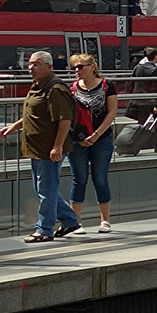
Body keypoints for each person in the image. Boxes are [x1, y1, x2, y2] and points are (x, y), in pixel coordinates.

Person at [0, 50, 79, 243]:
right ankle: (69, 220)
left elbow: (64, 119)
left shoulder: (55, 89)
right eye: (29, 64)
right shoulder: (37, 86)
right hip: (36, 147)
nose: (30, 68)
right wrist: (14, 126)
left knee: (46, 189)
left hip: (48, 148)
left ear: (49, 67)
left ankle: (44, 229)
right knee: (43, 187)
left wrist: (57, 146)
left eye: (36, 64)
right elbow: (32, 114)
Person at [66, 54, 118, 234]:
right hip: (77, 140)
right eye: (75, 67)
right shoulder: (71, 88)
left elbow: (112, 112)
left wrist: (96, 135)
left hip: (101, 139)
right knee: (78, 179)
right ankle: (75, 222)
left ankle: (105, 220)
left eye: (81, 67)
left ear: (92, 67)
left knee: (100, 178)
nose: (77, 71)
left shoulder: (106, 86)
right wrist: (79, 136)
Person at [127, 47, 157, 152]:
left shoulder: (137, 68)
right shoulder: (155, 70)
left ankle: (134, 145)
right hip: (151, 101)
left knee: (141, 123)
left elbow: (132, 83)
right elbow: (155, 88)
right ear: (155, 56)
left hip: (139, 99)